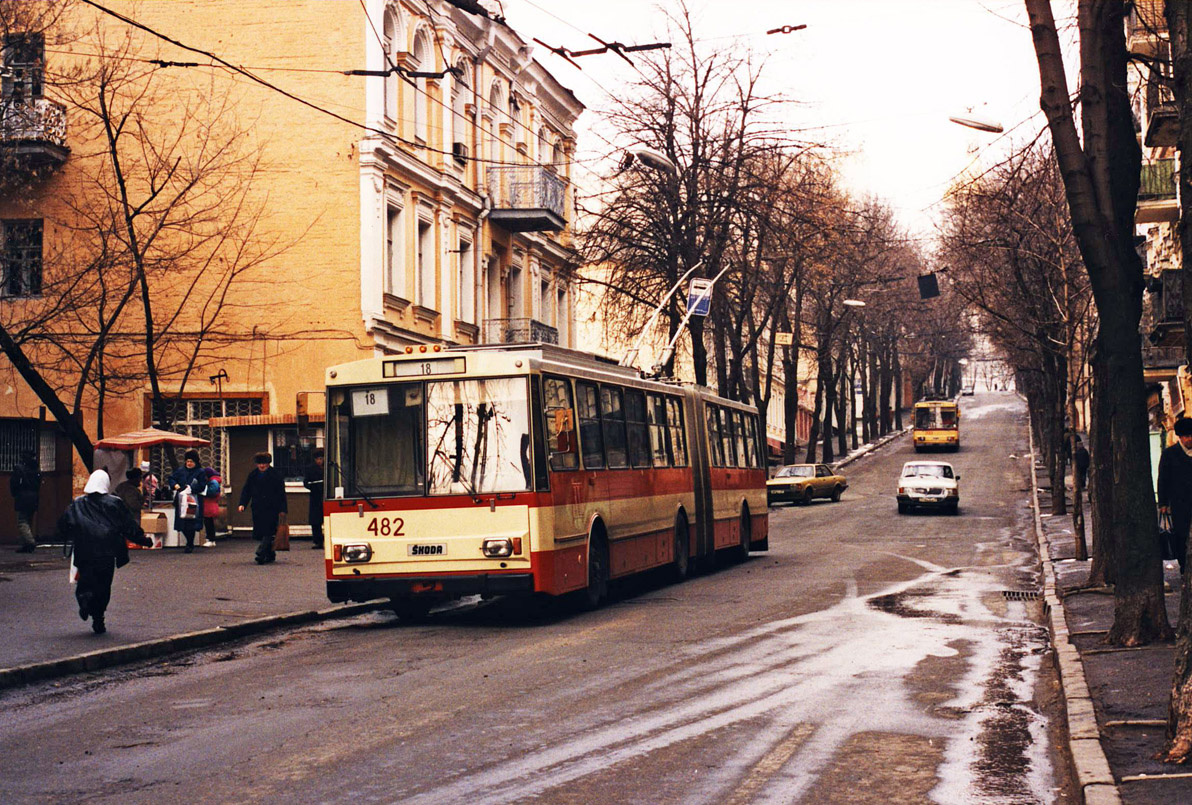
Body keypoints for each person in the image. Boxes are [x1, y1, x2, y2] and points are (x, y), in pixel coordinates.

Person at [58, 469, 152, 634]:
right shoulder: (115, 503)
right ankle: (98, 619)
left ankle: (85, 600)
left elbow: (64, 524)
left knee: (85, 581)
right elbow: (128, 526)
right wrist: (143, 539)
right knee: (103, 585)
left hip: (84, 550)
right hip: (107, 551)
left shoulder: (77, 503)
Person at [238, 452, 287, 565]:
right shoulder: (253, 475)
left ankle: (260, 553)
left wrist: (283, 510)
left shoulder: (276, 475)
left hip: (272, 508)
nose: (261, 466)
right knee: (261, 532)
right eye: (259, 463)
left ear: (268, 463)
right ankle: (270, 554)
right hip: (257, 507)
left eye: (264, 463)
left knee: (268, 531)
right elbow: (247, 490)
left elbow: (281, 494)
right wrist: (242, 504)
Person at [1157, 417, 1192, 573]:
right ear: (1180, 436)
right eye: (1186, 436)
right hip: (1180, 505)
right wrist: (1163, 503)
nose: (1189, 439)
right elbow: (1163, 479)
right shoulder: (1170, 454)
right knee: (1181, 538)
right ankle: (1185, 569)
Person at [167, 450, 206, 553]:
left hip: (194, 500)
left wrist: (192, 489)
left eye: (191, 461)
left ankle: (190, 543)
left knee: (191, 522)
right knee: (182, 522)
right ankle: (189, 541)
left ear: (196, 462)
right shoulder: (180, 470)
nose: (189, 463)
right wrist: (175, 485)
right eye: (187, 461)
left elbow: (202, 485)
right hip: (181, 500)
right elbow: (171, 478)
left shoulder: (200, 472)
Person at [10, 449, 40, 553]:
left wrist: (14, 493)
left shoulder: (19, 468)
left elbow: (14, 483)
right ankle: (26, 545)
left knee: (22, 521)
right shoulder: (36, 468)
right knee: (29, 520)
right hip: (34, 496)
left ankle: (30, 542)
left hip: (22, 496)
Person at [304, 449, 324, 550]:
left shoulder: (328, 467)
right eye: (317, 459)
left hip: (325, 496)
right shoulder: (310, 469)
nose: (319, 461)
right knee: (315, 520)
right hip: (315, 496)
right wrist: (314, 486)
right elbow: (306, 482)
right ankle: (317, 541)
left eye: (321, 458)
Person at [201, 466, 222, 546]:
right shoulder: (215, 481)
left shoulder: (213, 482)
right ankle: (210, 539)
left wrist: (203, 491)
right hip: (211, 504)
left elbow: (212, 492)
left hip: (209, 504)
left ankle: (211, 539)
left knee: (208, 522)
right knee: (209, 522)